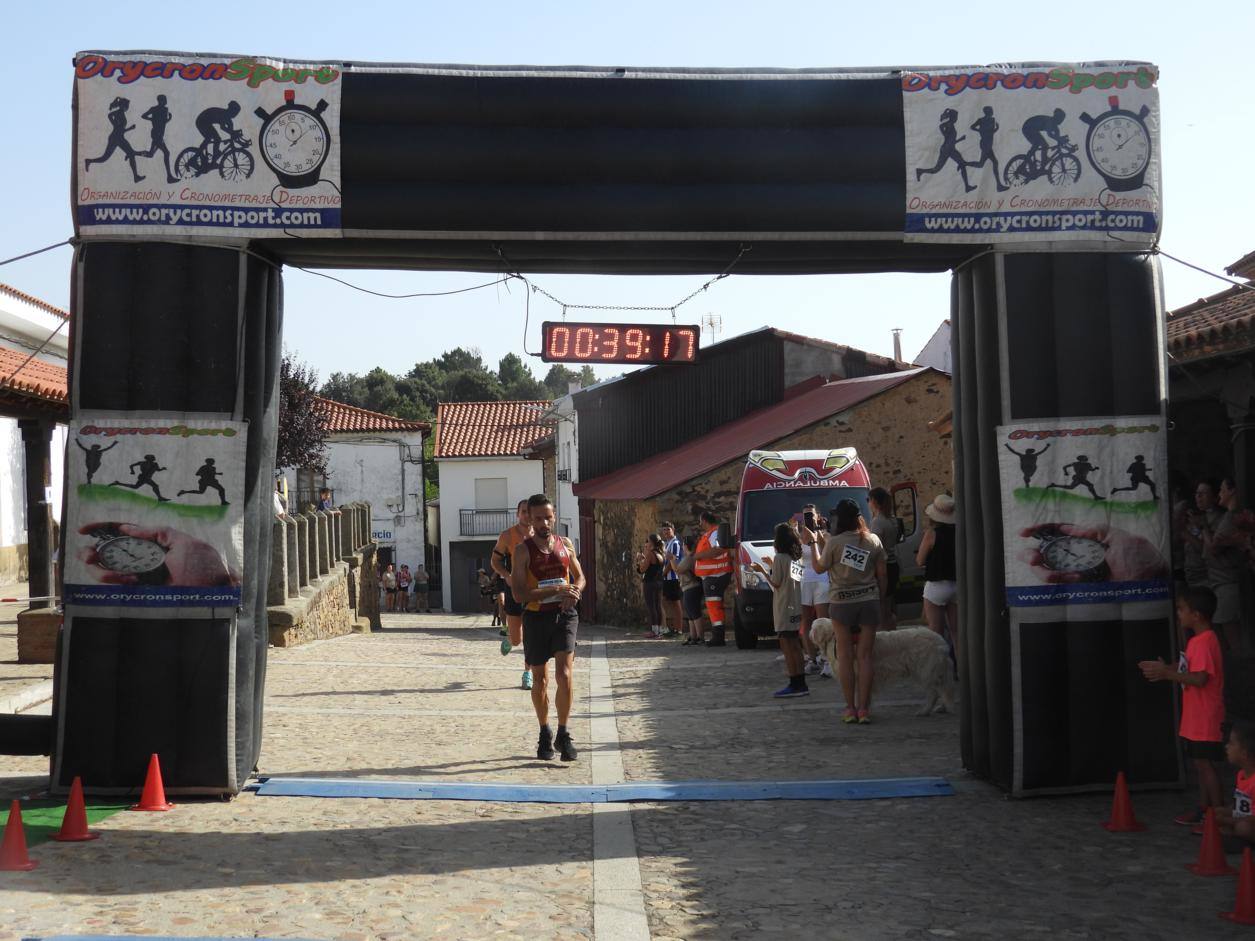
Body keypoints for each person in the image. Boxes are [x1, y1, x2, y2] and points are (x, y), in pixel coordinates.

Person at [1140, 586, 1225, 827]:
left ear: (1196, 615)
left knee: (1206, 766)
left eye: (1181, 609)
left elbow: (1199, 678)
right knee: (1200, 764)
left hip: (1205, 715)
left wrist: (1166, 674)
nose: (1178, 614)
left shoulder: (1204, 641)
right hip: (1196, 715)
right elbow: (1189, 667)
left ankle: (1217, 818)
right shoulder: (1199, 640)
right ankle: (1205, 811)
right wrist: (1167, 667)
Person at [510, 493, 586, 762]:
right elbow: (519, 594)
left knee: (564, 675)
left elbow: (580, 577)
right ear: (530, 519)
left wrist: (574, 591)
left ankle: (563, 733)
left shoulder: (565, 544)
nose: (545, 522)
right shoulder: (522, 551)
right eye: (539, 518)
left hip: (565, 615)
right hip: (536, 618)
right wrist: (554, 589)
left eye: (548, 517)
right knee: (540, 679)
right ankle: (544, 731)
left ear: (554, 517)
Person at [809, 499, 886, 724]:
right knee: (865, 656)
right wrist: (880, 600)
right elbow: (882, 574)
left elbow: (818, 567)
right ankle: (864, 709)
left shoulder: (835, 542)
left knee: (844, 656)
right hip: (869, 599)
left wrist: (813, 543)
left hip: (841, 603)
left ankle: (849, 708)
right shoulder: (873, 540)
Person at [753, 522, 807, 698]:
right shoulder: (795, 557)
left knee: (786, 645)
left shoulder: (780, 558)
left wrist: (762, 569)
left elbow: (776, 583)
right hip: (796, 604)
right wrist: (771, 565)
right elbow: (790, 580)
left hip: (784, 606)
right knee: (796, 646)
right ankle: (801, 682)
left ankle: (794, 682)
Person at [492, 500, 534, 690]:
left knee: (532, 635)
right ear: (518, 514)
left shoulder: (541, 535)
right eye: (524, 512)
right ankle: (510, 640)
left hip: (535, 590)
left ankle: (528, 673)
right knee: (518, 639)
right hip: (514, 589)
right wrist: (506, 575)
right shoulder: (507, 536)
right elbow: (495, 561)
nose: (527, 515)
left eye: (530, 512)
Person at [1205, 477, 1247, 651]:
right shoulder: (1229, 516)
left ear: (1232, 491)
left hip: (1228, 581)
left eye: (1222, 490)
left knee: (1229, 627)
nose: (1219, 494)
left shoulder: (1233, 516)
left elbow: (1214, 547)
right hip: (1221, 582)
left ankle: (1241, 664)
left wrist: (1205, 531)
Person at [917, 494, 959, 666]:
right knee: (957, 634)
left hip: (936, 586)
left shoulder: (931, 534)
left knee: (936, 633)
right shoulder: (960, 532)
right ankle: (962, 670)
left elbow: (919, 560)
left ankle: (940, 669)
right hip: (957, 585)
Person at [693, 510, 733, 647]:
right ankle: (717, 636)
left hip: (716, 574)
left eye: (700, 521)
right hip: (712, 575)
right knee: (713, 606)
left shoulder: (714, 533)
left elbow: (719, 549)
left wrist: (698, 556)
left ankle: (718, 637)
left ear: (704, 521)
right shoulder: (710, 534)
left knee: (715, 607)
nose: (699, 524)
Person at [798, 504, 830, 677]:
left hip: (822, 579)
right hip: (804, 579)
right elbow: (795, 556)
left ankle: (826, 659)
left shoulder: (823, 533)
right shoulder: (800, 534)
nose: (808, 519)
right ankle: (811, 659)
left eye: (811, 515)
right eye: (806, 516)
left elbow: (828, 552)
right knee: (805, 622)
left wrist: (818, 533)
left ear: (818, 516)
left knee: (823, 620)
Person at [84, 97, 145, 183]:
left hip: (119, 137)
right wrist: (115, 124)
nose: (128, 107)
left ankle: (136, 176)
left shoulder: (121, 113)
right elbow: (110, 117)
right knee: (105, 158)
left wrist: (129, 129)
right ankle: (89, 160)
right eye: (127, 106)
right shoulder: (119, 112)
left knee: (130, 154)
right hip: (115, 138)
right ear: (123, 106)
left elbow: (120, 130)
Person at [914, 108, 976, 193]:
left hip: (951, 149)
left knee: (962, 164)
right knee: (936, 169)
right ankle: (920, 170)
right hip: (946, 150)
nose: (956, 119)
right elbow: (948, 139)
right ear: (952, 117)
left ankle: (967, 187)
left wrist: (958, 140)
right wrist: (960, 139)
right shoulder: (949, 125)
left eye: (956, 117)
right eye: (955, 117)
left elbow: (950, 140)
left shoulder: (950, 125)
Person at [1216, 721, 1255, 842]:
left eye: (1231, 743)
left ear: (1245, 754)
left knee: (1243, 828)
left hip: (1249, 822)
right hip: (1244, 818)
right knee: (1218, 814)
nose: (1226, 746)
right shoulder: (1241, 774)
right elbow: (1242, 807)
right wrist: (1225, 812)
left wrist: (1229, 820)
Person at [868, 488, 900, 632]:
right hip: (893, 564)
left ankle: (884, 637)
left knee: (881, 606)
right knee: (888, 604)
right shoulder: (892, 520)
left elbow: (875, 549)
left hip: (883, 567)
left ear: (874, 501)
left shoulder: (877, 522)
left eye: (869, 500)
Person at [968, 106, 1009, 192]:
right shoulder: (983, 120)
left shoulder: (991, 120)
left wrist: (995, 129)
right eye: (991, 110)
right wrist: (980, 131)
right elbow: (972, 127)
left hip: (988, 144)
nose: (992, 111)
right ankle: (999, 186)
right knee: (989, 163)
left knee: (982, 164)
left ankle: (999, 185)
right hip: (985, 144)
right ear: (987, 112)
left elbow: (990, 132)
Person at [675, 533, 706, 646]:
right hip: (688, 587)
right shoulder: (690, 557)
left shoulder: (690, 558)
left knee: (695, 613)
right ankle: (693, 637)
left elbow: (678, 569)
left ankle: (700, 637)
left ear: (686, 546)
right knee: (690, 614)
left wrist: (672, 560)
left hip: (692, 587)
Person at [140, 95, 178, 184]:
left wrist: (169, 119)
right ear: (160, 100)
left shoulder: (164, 109)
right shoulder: (156, 109)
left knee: (150, 154)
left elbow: (163, 123)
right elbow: (143, 115)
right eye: (164, 100)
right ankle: (169, 177)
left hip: (159, 135)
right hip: (157, 135)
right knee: (166, 153)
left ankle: (133, 153)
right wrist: (152, 119)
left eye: (165, 99)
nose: (165, 101)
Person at [636, 534, 667, 638]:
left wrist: (639, 560)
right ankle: (659, 630)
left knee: (651, 607)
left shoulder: (650, 554)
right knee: (658, 606)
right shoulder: (661, 554)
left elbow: (642, 569)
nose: (646, 543)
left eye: (647, 541)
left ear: (652, 543)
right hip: (659, 582)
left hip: (650, 583)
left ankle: (654, 631)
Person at [659, 521, 685, 637]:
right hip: (667, 578)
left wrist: (663, 574)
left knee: (676, 603)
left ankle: (678, 629)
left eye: (668, 529)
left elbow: (672, 561)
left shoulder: (675, 543)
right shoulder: (666, 544)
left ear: (673, 530)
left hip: (673, 577)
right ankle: (672, 628)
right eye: (664, 530)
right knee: (666, 602)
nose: (666, 532)